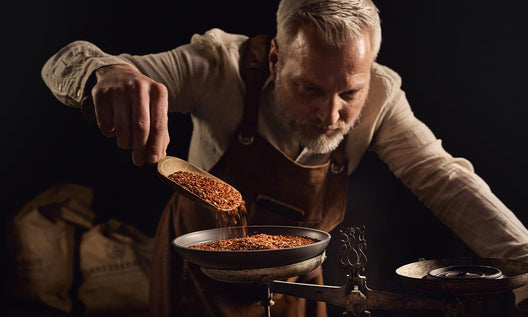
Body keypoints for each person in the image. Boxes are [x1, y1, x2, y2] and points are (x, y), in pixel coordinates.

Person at [41, 0, 528, 316]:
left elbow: (441, 177)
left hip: (297, 280)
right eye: (310, 89)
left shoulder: (382, 94)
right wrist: (104, 71)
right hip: (200, 281)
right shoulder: (217, 65)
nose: (330, 114)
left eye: (348, 93)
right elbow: (65, 60)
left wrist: (523, 263)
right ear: (276, 59)